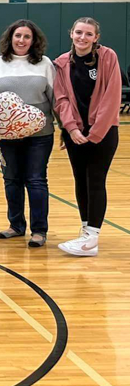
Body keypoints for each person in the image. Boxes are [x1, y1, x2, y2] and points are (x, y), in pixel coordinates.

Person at [0, 19, 55, 248]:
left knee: (36, 180)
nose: (21, 40)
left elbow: (56, 99)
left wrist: (65, 128)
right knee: (11, 180)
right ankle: (16, 225)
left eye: (27, 37)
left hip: (40, 136)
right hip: (5, 137)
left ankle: (39, 230)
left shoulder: (45, 64)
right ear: (10, 38)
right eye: (18, 36)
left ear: (34, 41)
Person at [53, 17, 121, 256]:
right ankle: (85, 232)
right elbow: (61, 100)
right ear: (71, 33)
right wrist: (71, 129)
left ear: (96, 38)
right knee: (80, 181)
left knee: (95, 181)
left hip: (102, 133)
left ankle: (93, 236)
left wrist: (95, 134)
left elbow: (112, 97)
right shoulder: (61, 62)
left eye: (88, 34)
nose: (83, 38)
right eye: (79, 32)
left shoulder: (108, 57)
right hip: (75, 134)